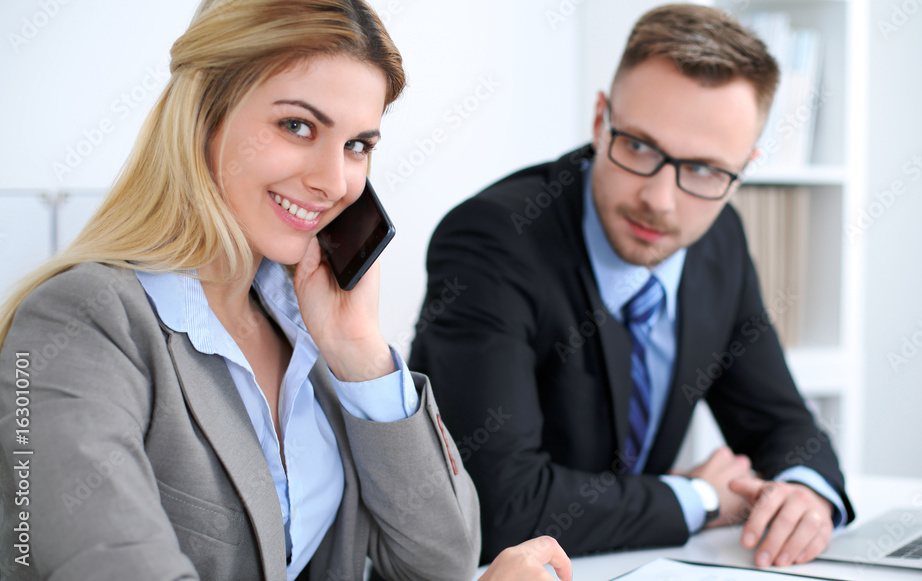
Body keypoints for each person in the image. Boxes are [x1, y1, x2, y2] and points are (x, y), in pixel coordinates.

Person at [0, 1, 571, 579]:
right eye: (297, 126)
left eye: (357, 146)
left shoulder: (307, 323)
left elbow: (441, 563)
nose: (333, 181)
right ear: (204, 115)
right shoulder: (79, 324)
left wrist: (361, 356)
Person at [410, 3, 855, 569]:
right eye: (640, 146)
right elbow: (499, 503)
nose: (660, 201)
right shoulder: (493, 241)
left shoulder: (719, 239)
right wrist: (700, 498)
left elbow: (782, 421)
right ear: (600, 120)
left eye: (704, 170)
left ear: (743, 170)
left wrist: (807, 492)